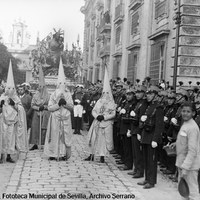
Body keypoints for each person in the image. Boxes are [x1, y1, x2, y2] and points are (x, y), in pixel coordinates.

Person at [84, 67, 116, 163]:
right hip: (97, 122)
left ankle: (102, 156)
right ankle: (91, 154)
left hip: (105, 124)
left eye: (107, 92)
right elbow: (94, 110)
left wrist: (105, 117)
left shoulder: (111, 102)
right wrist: (97, 116)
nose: (105, 94)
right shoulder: (99, 101)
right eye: (104, 92)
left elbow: (113, 113)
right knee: (93, 138)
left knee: (103, 141)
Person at [44, 58, 74, 161]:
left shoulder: (68, 94)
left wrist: (65, 105)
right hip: (55, 119)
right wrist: (58, 104)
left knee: (64, 137)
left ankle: (62, 154)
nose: (62, 85)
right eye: (60, 83)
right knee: (54, 136)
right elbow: (49, 107)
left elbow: (71, 106)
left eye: (63, 83)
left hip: (65, 119)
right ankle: (53, 154)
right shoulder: (53, 94)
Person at [0, 60, 28, 163]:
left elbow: (21, 110)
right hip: (3, 121)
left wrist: (14, 104)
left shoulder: (16, 98)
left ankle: (9, 156)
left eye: (12, 88)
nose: (10, 90)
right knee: (2, 138)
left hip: (12, 122)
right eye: (8, 88)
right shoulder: (2, 96)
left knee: (10, 139)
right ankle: (1, 155)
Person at [137, 86, 164, 189]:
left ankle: (151, 181)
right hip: (146, 135)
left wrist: (155, 139)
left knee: (152, 160)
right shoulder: (149, 106)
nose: (148, 96)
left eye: (151, 94)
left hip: (152, 137)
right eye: (148, 94)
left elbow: (159, 125)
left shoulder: (158, 107)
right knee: (146, 159)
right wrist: (140, 131)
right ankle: (147, 178)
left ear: (156, 96)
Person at [173, 102, 200, 200]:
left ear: (193, 113)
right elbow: (186, 141)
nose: (185, 113)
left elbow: (192, 150)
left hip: (189, 166)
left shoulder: (192, 127)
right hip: (182, 163)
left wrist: (185, 167)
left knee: (192, 193)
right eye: (183, 111)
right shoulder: (186, 123)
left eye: (188, 111)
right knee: (184, 192)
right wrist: (176, 144)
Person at [29, 67, 50, 150]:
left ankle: (43, 143)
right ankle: (35, 143)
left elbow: (50, 105)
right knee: (35, 128)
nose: (40, 87)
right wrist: (38, 108)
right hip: (36, 114)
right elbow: (32, 104)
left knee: (44, 129)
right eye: (39, 86)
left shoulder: (47, 95)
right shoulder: (36, 94)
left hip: (45, 114)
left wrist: (44, 107)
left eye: (42, 86)